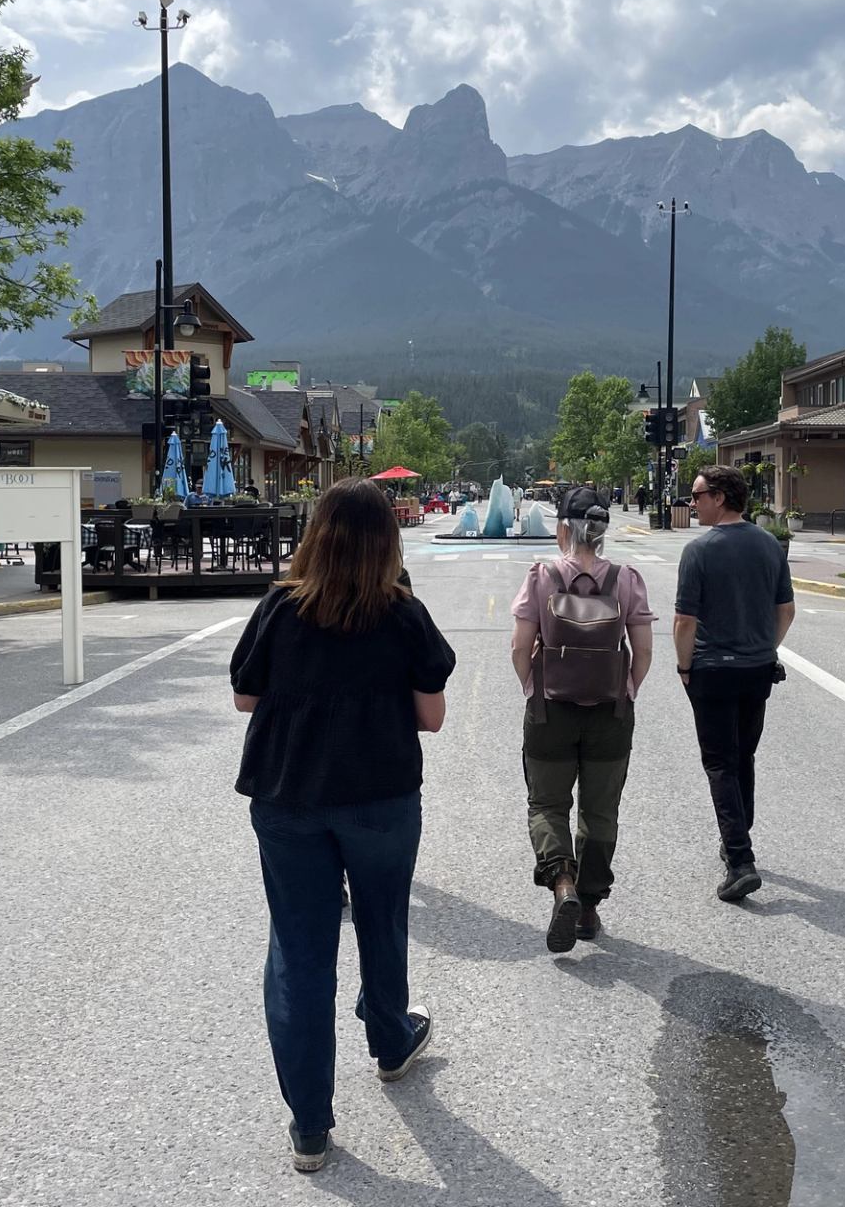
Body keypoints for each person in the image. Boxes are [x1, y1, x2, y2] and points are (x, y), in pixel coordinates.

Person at [229, 476, 457, 1174]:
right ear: (388, 541)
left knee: (298, 956)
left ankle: (310, 1126)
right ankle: (390, 1042)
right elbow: (432, 717)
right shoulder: (403, 614)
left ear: (315, 535)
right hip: (382, 796)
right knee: (383, 922)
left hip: (288, 798)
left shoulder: (279, 607)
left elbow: (245, 698)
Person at [509, 486, 655, 951]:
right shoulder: (627, 579)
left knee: (547, 805)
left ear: (563, 529)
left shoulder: (542, 576)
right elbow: (644, 651)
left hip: (551, 711)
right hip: (609, 712)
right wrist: (626, 690)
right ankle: (589, 908)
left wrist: (534, 688)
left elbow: (518, 648)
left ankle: (563, 885)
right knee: (600, 810)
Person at [673, 464, 795, 903]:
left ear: (720, 497)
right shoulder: (770, 545)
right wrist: (764, 647)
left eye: (697, 494)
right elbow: (786, 611)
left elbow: (685, 621)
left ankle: (740, 859)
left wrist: (684, 668)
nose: (692, 502)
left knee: (720, 762)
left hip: (712, 668)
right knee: (744, 755)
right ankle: (735, 838)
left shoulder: (700, 551)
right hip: (757, 668)